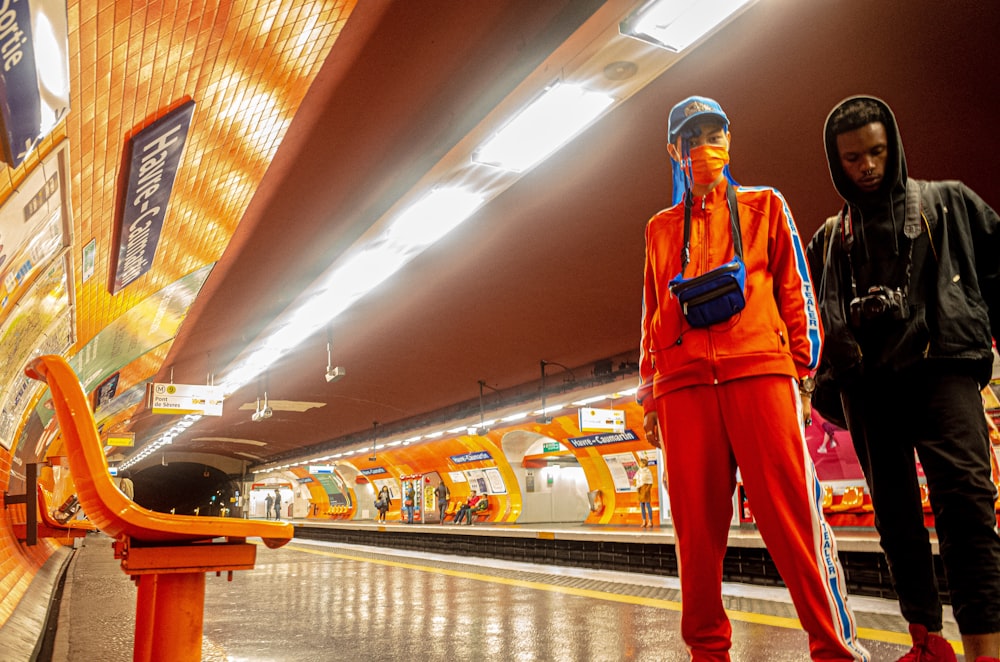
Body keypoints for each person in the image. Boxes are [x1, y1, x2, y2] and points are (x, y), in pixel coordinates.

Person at [637, 95, 869, 661]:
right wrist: (649, 394)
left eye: (712, 135)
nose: (702, 148)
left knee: (795, 521)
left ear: (730, 139)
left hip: (762, 375)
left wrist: (804, 366)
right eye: (691, 140)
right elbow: (650, 313)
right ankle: (708, 654)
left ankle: (835, 650)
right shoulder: (661, 229)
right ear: (674, 150)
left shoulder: (766, 205)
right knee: (696, 539)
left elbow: (796, 288)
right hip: (683, 388)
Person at [807, 95, 1000, 662]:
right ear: (834, 161)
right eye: (850, 158)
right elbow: (817, 318)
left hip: (943, 372)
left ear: (893, 146)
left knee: (966, 505)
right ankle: (927, 644)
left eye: (876, 152)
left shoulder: (950, 203)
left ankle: (985, 650)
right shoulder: (829, 238)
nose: (865, 166)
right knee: (895, 520)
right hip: (870, 388)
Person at [633, 458, 654, 528]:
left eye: (641, 463)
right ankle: (644, 521)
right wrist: (636, 485)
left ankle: (650, 521)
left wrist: (647, 490)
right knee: (642, 505)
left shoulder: (648, 471)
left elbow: (650, 481)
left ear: (644, 464)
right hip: (640, 489)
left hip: (645, 488)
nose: (640, 464)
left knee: (648, 505)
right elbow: (635, 478)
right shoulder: (639, 471)